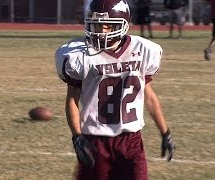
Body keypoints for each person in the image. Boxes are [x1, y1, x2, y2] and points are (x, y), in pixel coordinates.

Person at [55, 0, 175, 179]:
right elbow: (72, 100)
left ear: (124, 25)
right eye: (95, 26)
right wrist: (77, 138)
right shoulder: (80, 55)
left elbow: (149, 96)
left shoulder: (142, 50)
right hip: (95, 140)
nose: (101, 31)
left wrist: (165, 133)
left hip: (131, 140)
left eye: (107, 26)